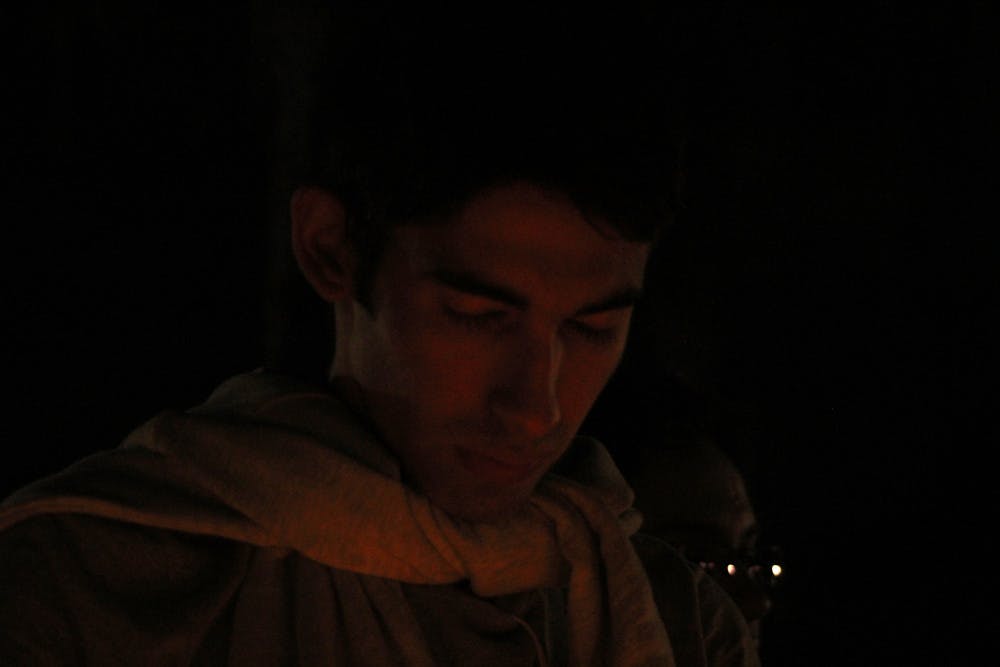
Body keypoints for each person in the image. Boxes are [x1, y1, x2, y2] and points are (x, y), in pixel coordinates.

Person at [0, 7, 759, 666]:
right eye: (477, 315)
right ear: (330, 248)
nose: (538, 407)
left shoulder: (679, 622)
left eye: (593, 328)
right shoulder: (83, 594)